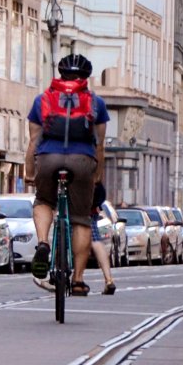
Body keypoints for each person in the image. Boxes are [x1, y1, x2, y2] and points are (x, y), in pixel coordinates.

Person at [24, 52, 109, 296]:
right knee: (81, 218)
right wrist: (96, 175)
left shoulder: (43, 100)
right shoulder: (96, 104)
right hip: (82, 161)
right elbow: (100, 145)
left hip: (49, 158)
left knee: (43, 201)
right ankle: (79, 280)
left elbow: (33, 141)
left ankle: (43, 243)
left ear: (60, 75)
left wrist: (30, 172)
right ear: (86, 78)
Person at [88, 182, 117, 295]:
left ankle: (74, 278)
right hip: (94, 189)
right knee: (95, 239)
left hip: (74, 190)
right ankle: (109, 280)